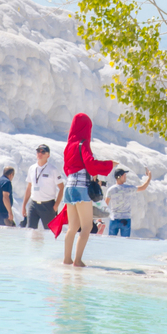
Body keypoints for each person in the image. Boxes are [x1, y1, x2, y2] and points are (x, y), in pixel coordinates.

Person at [59, 113, 114, 267]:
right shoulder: (83, 144)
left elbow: (66, 168)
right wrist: (110, 165)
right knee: (87, 226)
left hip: (69, 188)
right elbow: (90, 163)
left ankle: (66, 259)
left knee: (72, 227)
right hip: (81, 188)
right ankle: (77, 260)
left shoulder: (68, 146)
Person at [21, 144, 64, 229]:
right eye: (38, 151)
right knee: (30, 231)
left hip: (48, 205)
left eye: (43, 152)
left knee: (49, 232)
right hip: (33, 205)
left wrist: (56, 205)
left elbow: (62, 188)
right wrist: (24, 206)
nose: (40, 153)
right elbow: (29, 188)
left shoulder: (53, 169)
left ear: (48, 155)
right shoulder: (32, 168)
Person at [105, 166, 152, 237]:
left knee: (111, 241)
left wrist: (100, 218)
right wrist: (149, 178)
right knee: (125, 243)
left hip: (114, 219)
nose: (125, 177)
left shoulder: (110, 190)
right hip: (125, 220)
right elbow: (143, 187)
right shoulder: (128, 188)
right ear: (120, 177)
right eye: (124, 175)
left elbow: (105, 205)